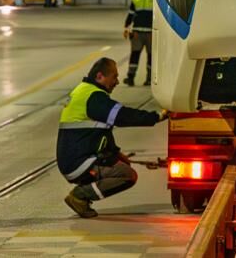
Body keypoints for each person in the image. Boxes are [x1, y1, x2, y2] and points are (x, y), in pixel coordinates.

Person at [58, 57, 167, 218]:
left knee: (121, 163)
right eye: (114, 76)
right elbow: (123, 116)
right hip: (80, 163)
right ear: (100, 76)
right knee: (127, 175)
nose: (117, 82)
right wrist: (157, 117)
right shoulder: (94, 97)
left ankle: (83, 194)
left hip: (74, 159)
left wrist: (116, 154)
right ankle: (80, 196)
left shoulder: (84, 91)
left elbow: (101, 133)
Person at [123, 0, 153, 86]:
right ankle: (130, 77)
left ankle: (149, 79)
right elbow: (131, 14)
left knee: (151, 56)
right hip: (137, 33)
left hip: (151, 34)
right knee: (134, 55)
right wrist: (126, 27)